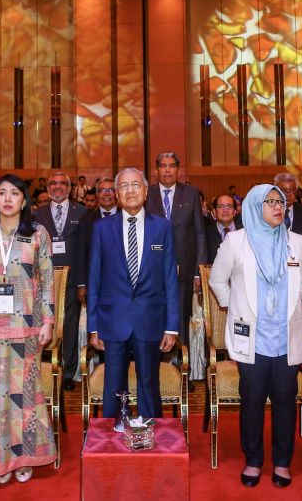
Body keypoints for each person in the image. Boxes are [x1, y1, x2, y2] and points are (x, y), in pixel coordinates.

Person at [209, 184, 302, 489]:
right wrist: (233, 304)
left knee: (284, 399)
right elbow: (217, 280)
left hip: (285, 337)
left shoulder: (297, 241)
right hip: (251, 338)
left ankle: (282, 461)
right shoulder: (236, 241)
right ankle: (253, 460)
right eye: (269, 202)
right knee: (252, 400)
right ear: (255, 206)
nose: (277, 207)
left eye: (280, 202)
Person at [0, 174, 56, 483]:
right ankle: (2, 458)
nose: (7, 198)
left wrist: (48, 320)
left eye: (14, 193)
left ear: (24, 200)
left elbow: (47, 280)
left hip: (28, 326)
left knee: (26, 395)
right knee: (0, 394)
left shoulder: (37, 233)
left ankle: (25, 457)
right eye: (1, 193)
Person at [88, 167, 179, 420]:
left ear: (146, 191)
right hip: (112, 320)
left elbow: (170, 278)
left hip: (150, 319)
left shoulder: (162, 227)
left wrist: (171, 327)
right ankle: (112, 440)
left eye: (136, 185)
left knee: (149, 383)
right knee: (113, 386)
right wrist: (93, 325)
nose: (130, 191)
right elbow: (94, 278)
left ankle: (151, 439)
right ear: (117, 193)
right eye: (124, 186)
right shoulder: (101, 228)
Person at [33, 171, 91, 392]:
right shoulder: (37, 214)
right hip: (43, 280)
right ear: (47, 188)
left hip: (73, 279)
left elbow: (85, 250)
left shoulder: (83, 212)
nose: (57, 187)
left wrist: (82, 282)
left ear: (69, 188)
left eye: (62, 184)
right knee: (42, 326)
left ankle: (67, 372)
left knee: (70, 326)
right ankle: (42, 371)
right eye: (53, 183)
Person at [145, 152, 206, 353]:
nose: (168, 170)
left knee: (180, 319)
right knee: (153, 318)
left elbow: (199, 233)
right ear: (157, 171)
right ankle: (156, 370)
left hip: (184, 269)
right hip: (152, 269)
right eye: (163, 166)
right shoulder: (147, 193)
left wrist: (198, 270)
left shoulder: (191, 193)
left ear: (178, 170)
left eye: (172, 165)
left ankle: (183, 369)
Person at [206, 194, 242, 265]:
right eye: (221, 207)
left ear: (235, 212)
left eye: (229, 206)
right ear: (214, 212)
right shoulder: (205, 234)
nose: (225, 210)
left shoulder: (245, 232)